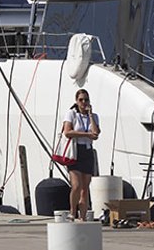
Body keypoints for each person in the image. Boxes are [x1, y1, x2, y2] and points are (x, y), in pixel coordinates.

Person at [62, 88, 100, 220]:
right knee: (76, 185)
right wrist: (86, 134)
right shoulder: (71, 114)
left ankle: (83, 217)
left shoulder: (94, 117)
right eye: (81, 100)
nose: (83, 102)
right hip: (75, 151)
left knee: (85, 188)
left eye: (86, 100)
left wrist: (90, 115)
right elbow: (67, 132)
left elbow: (95, 134)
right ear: (77, 101)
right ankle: (73, 210)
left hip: (88, 151)